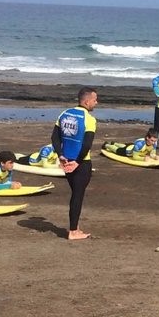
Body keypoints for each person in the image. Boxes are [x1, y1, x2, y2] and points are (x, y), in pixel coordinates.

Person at [52, 87, 98, 241]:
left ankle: (75, 226)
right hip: (81, 163)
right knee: (77, 196)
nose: (96, 103)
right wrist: (78, 162)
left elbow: (54, 138)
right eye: (94, 100)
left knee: (76, 194)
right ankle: (73, 231)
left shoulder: (64, 114)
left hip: (67, 162)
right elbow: (87, 145)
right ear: (86, 101)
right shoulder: (89, 119)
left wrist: (61, 156)